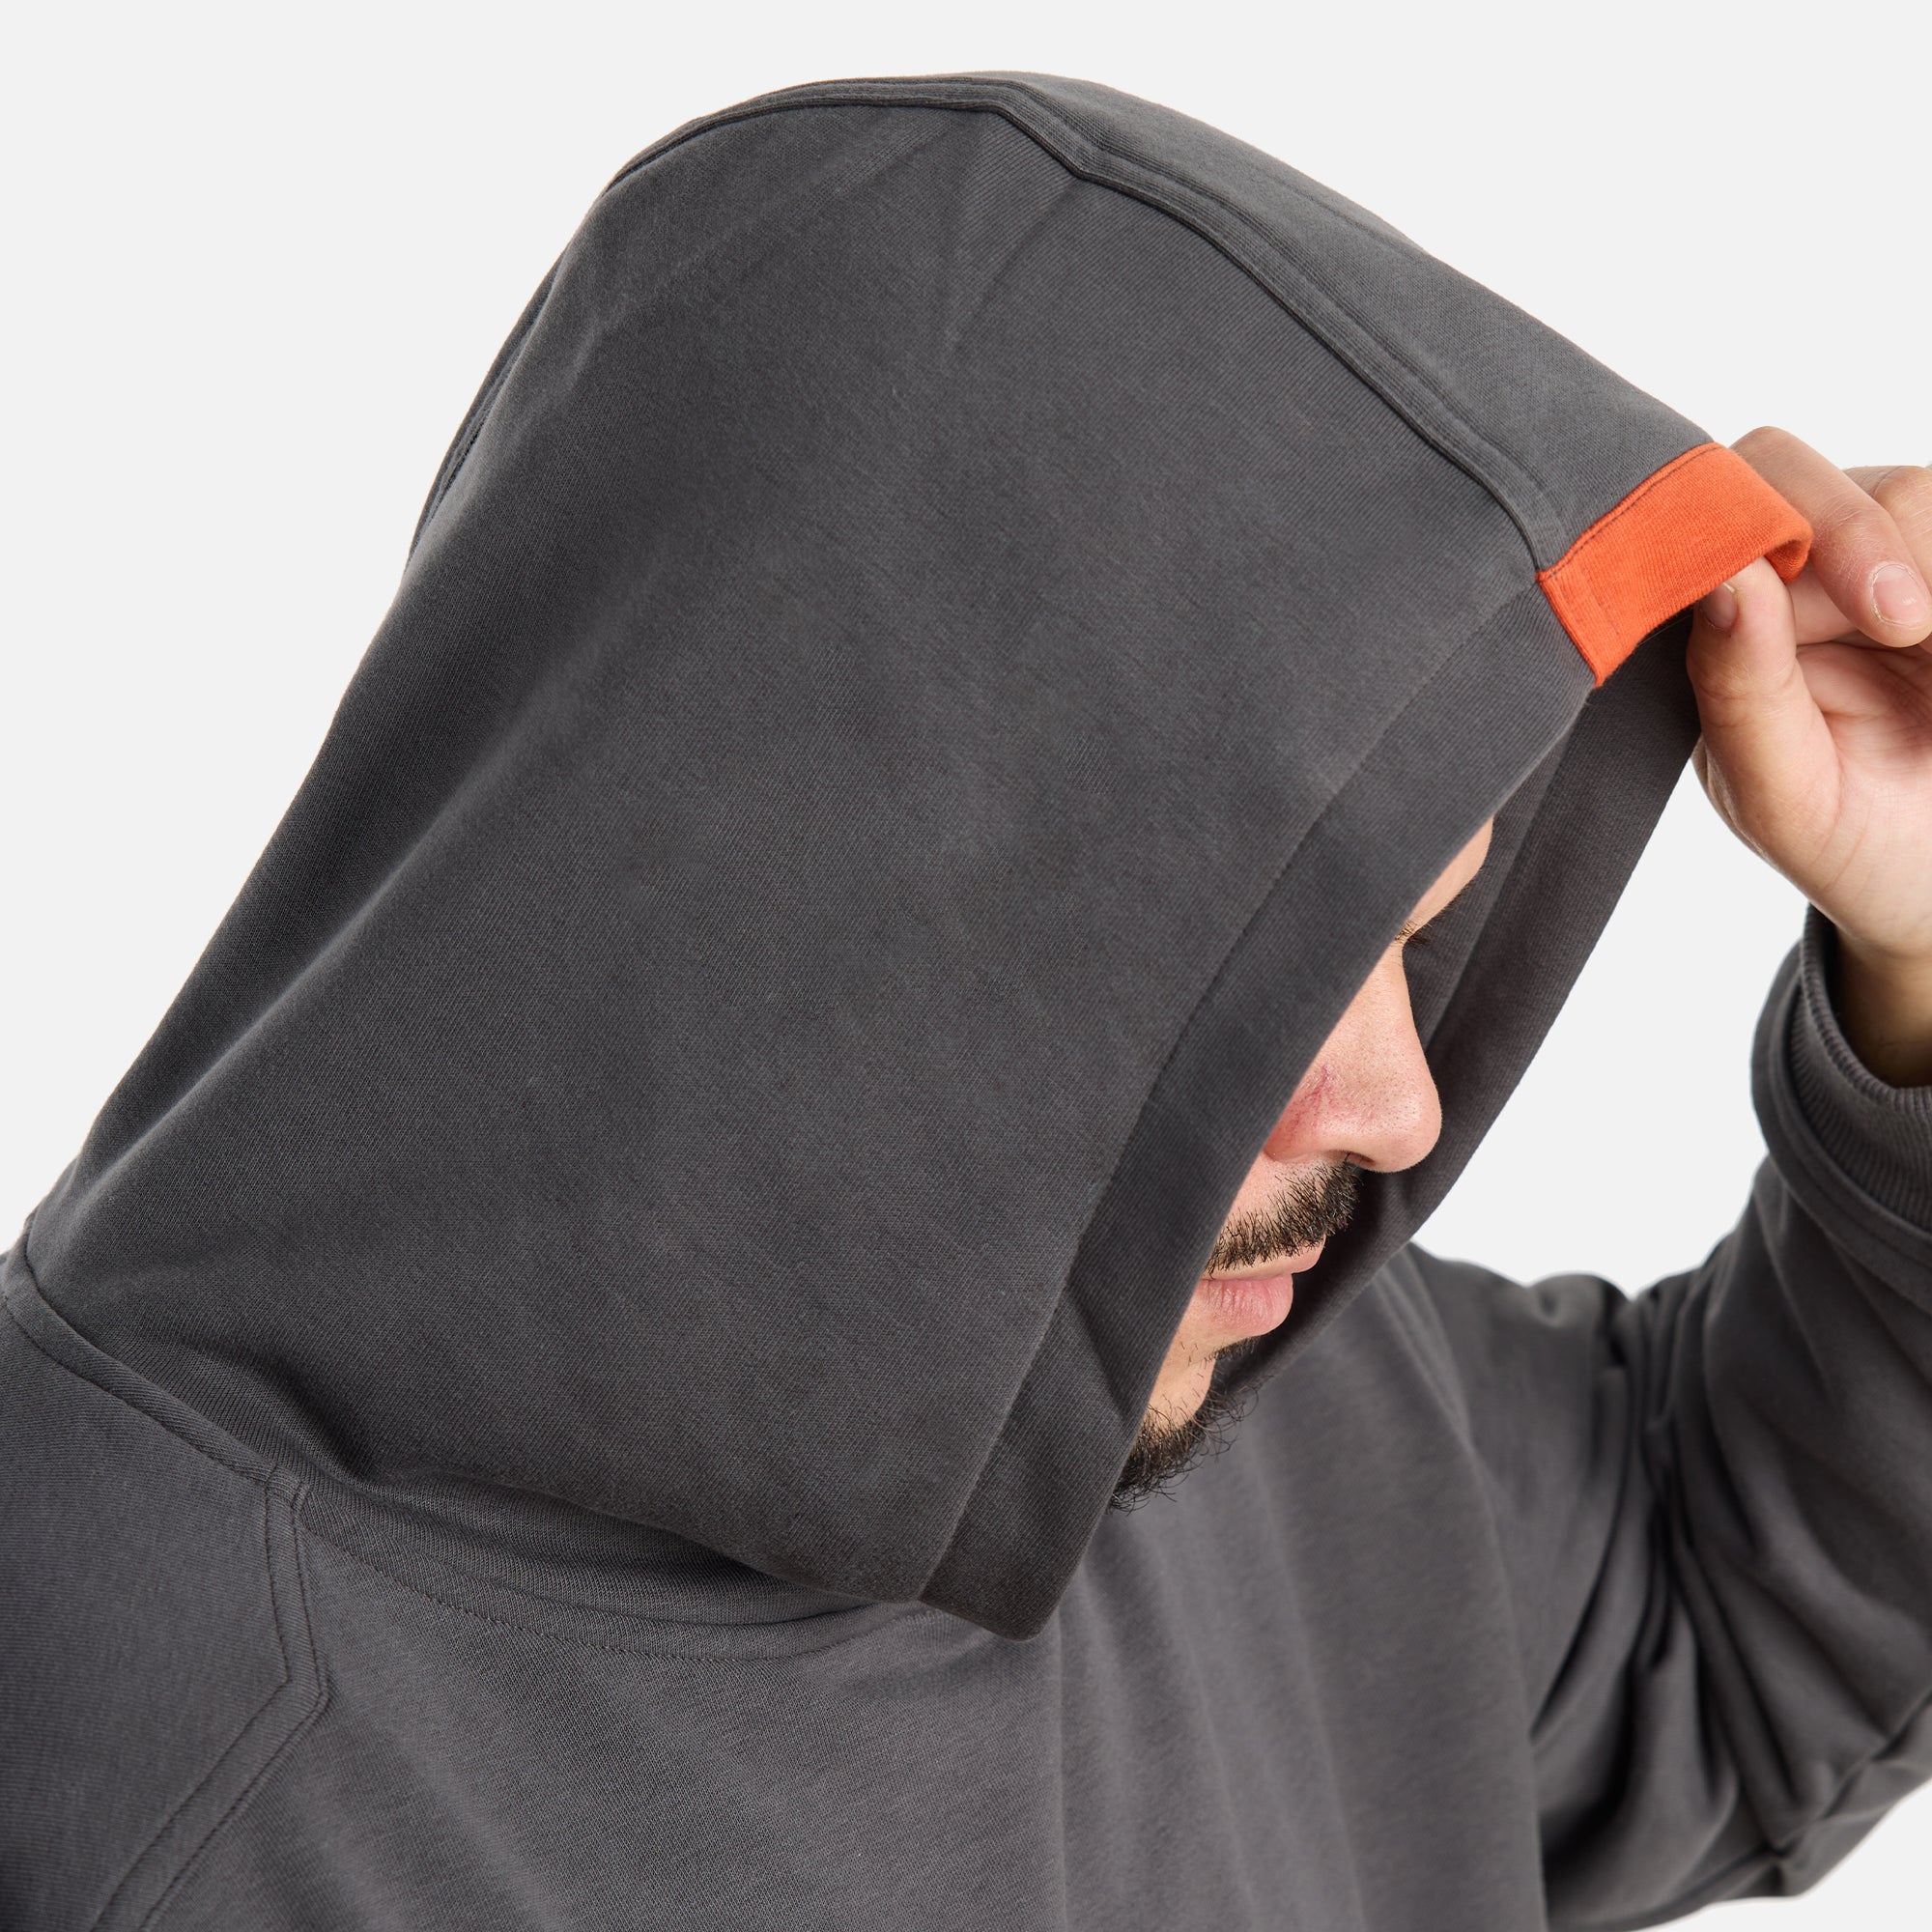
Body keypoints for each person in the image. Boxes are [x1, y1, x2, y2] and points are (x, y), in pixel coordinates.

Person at [3, 70, 1928, 1932]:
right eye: (1247, 953)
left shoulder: (1181, 1356)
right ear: (810, 871)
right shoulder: (152, 1805)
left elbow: (1718, 1612)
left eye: (1403, 937)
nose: (1396, 1106)